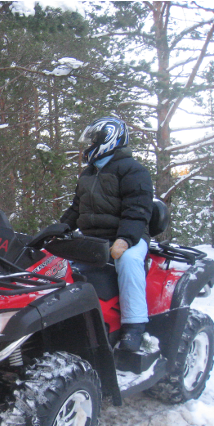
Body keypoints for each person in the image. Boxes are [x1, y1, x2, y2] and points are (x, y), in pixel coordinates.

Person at [60, 116, 154, 352]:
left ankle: (135, 324)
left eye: (94, 139)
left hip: (127, 237)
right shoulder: (88, 174)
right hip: (92, 237)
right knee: (57, 262)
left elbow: (138, 209)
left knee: (129, 261)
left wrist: (125, 239)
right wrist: (58, 230)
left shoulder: (134, 170)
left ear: (109, 139)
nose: (89, 145)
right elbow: (76, 208)